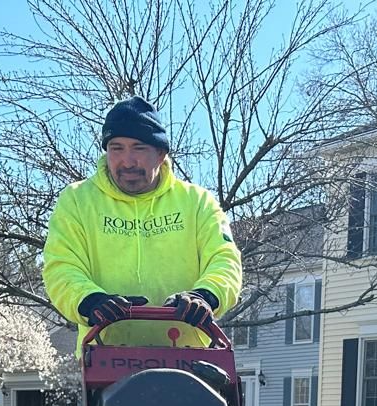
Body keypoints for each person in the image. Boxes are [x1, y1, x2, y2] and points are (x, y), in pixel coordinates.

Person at [42, 97, 242, 348]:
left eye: (138, 148)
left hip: (190, 357)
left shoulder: (197, 202)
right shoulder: (78, 201)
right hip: (107, 357)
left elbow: (224, 259)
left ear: (160, 153)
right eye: (117, 148)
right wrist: (91, 300)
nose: (127, 161)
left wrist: (205, 296)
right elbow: (62, 265)